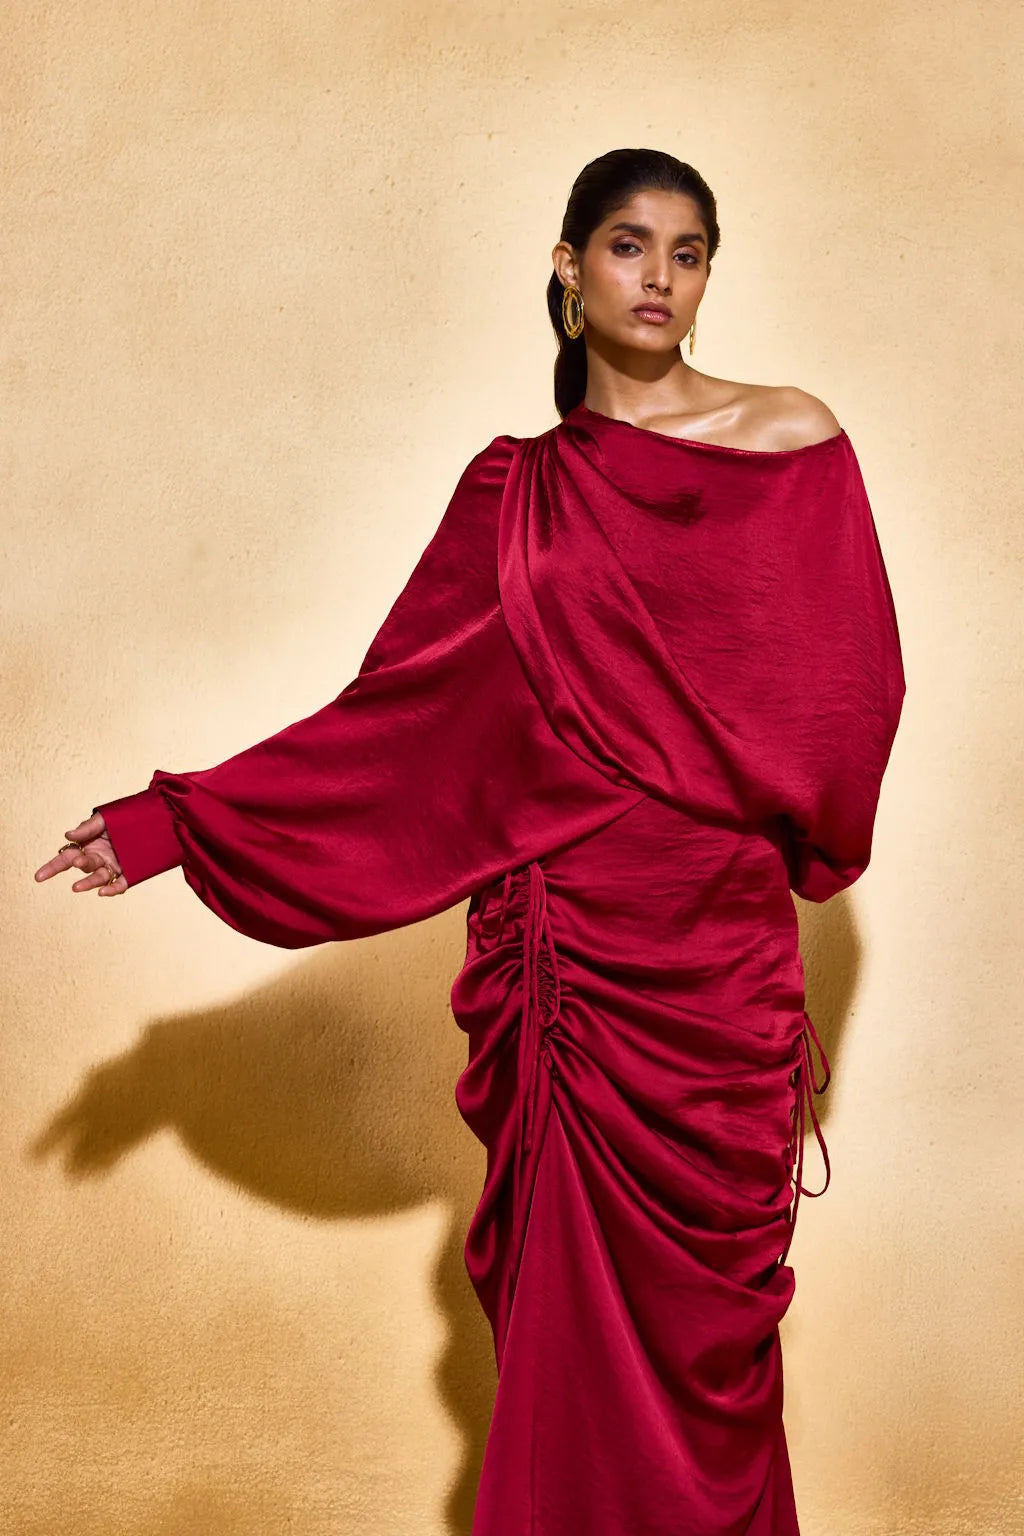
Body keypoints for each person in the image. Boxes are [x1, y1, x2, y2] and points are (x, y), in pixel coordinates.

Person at [33, 148, 906, 1534]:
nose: (659, 278)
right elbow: (400, 722)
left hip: (720, 964)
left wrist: (757, 817)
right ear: (570, 267)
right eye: (628, 245)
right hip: (577, 979)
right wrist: (174, 823)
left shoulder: (792, 440)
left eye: (687, 253)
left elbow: (850, 691)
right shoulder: (518, 492)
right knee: (573, 1361)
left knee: (714, 1362)